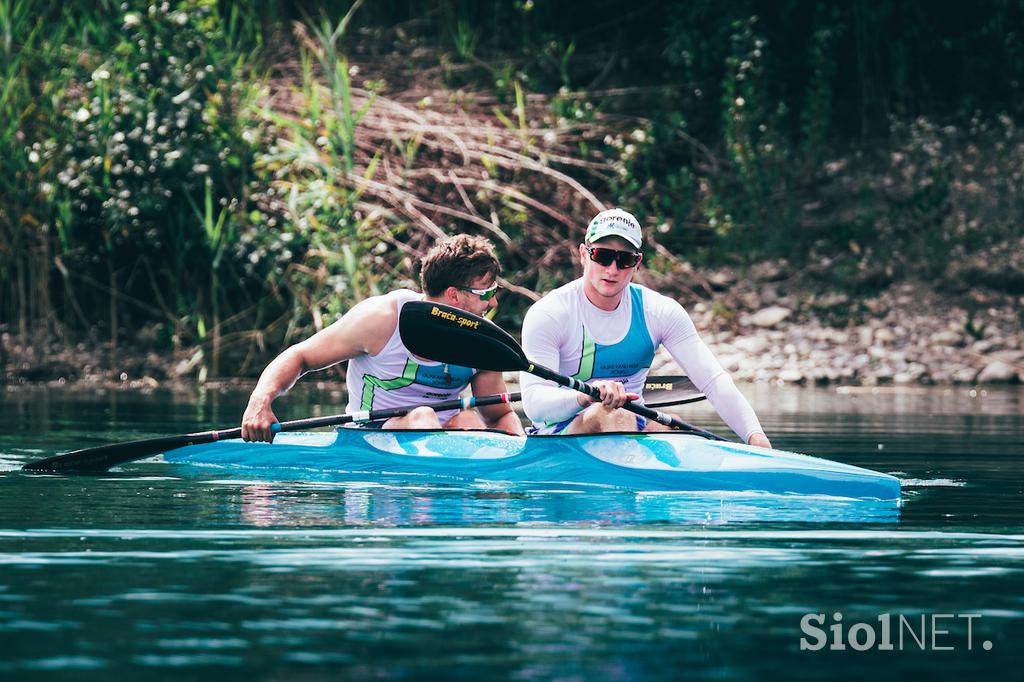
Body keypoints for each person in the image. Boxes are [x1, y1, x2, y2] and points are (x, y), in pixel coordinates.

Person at [519, 207, 772, 447]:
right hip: (558, 433)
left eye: (624, 260)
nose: (612, 269)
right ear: (584, 255)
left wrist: (755, 437)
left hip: (632, 424)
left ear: (637, 263)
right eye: (603, 256)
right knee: (612, 414)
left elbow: (714, 382)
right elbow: (534, 403)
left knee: (682, 434)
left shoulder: (659, 311)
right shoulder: (550, 314)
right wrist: (587, 395)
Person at [241, 234, 525, 442]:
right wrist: (260, 403)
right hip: (370, 436)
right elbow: (300, 356)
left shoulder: (483, 339)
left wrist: (524, 449)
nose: (494, 303)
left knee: (468, 419)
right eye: (486, 293)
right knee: (423, 416)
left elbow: (497, 415)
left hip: (444, 437)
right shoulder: (382, 319)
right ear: (454, 295)